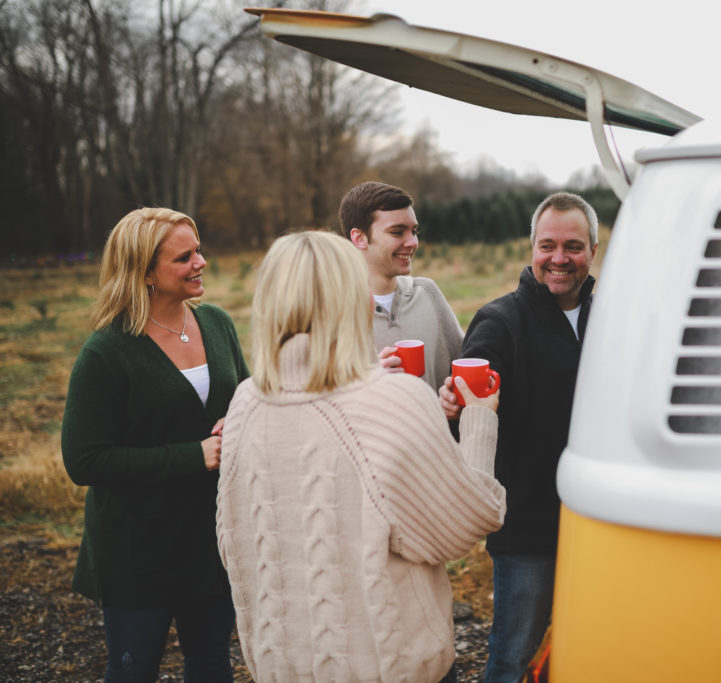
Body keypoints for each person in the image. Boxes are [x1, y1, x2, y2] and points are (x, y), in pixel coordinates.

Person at [216, 230, 507, 683]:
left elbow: (230, 537)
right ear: (354, 298)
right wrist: (478, 421)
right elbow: (465, 522)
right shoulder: (395, 399)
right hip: (388, 665)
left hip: (282, 664)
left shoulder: (245, 403)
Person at [61, 207, 248, 682]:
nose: (200, 262)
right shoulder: (106, 352)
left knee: (211, 666)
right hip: (137, 550)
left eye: (199, 250)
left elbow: (246, 394)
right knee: (133, 670)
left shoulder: (218, 325)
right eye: (184, 257)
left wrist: (241, 419)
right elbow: (84, 460)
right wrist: (194, 456)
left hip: (211, 540)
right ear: (145, 273)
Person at [439, 192, 600, 683]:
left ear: (593, 249)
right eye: (547, 245)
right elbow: (468, 410)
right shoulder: (501, 320)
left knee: (584, 655)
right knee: (514, 659)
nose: (559, 258)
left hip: (596, 524)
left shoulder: (613, 316)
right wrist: (451, 405)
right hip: (528, 526)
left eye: (572, 246)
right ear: (531, 248)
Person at [339, 181, 464, 392]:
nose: (413, 242)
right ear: (359, 238)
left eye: (414, 231)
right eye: (397, 232)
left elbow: (464, 361)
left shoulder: (427, 293)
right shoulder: (331, 310)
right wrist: (367, 379)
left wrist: (452, 398)